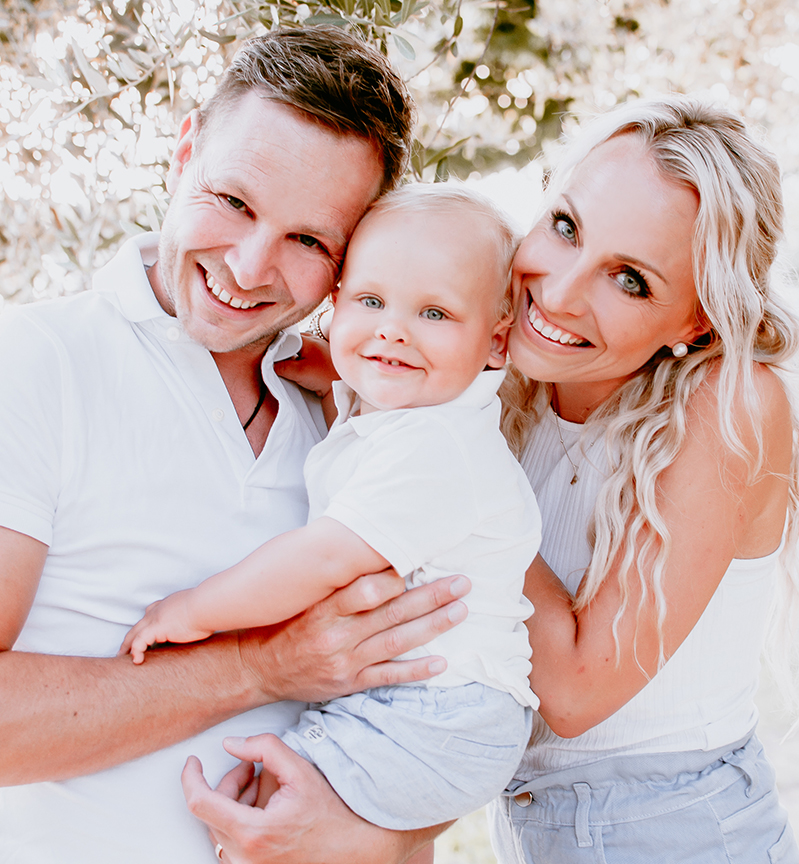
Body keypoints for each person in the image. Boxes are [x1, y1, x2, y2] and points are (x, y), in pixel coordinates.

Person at [184, 97, 799, 863]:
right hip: (533, 826)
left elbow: (574, 692)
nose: (561, 293)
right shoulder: (496, 385)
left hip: (678, 834)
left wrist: (456, 471)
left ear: (696, 322)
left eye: (630, 279)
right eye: (566, 227)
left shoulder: (729, 402)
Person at [0, 26, 468, 864]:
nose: (250, 267)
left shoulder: (351, 415)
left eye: (308, 241)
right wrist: (259, 667)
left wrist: (371, 836)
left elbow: (423, 706)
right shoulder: (37, 361)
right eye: (234, 202)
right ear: (185, 153)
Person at [120, 185, 541, 830]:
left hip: (439, 713)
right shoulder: (405, 416)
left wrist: (195, 609)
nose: (392, 330)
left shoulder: (438, 446)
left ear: (496, 344)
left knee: (277, 813)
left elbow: (320, 560)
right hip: (423, 705)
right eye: (371, 302)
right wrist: (335, 375)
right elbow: (359, 405)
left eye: (434, 313)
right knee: (269, 802)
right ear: (336, 305)